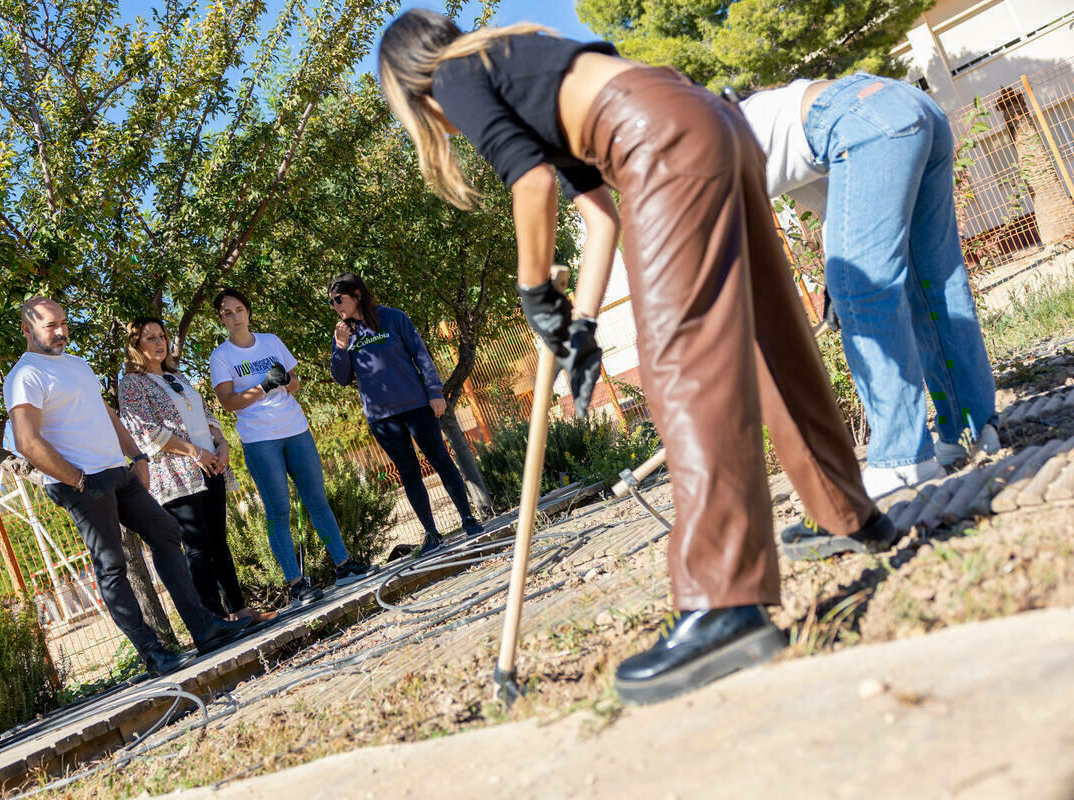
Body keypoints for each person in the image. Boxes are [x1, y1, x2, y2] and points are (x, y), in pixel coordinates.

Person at [377, 10, 892, 705]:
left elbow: (527, 185)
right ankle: (844, 512)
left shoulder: (454, 72)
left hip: (659, 140)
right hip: (709, 122)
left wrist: (533, 286)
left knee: (683, 360)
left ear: (409, 88)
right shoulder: (521, 63)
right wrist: (579, 327)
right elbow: (600, 218)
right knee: (769, 335)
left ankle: (724, 603)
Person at [740, 75, 999, 501]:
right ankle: (971, 430)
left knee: (864, 293)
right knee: (933, 281)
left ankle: (901, 459)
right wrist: (831, 281)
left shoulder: (710, 155)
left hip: (861, 122)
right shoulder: (775, 128)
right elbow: (836, 207)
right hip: (910, 108)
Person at [4, 297, 252, 678]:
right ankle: (154, 654)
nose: (60, 331)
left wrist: (137, 457)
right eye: (50, 326)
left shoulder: (76, 365)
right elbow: (26, 442)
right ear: (27, 329)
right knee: (112, 565)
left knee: (166, 532)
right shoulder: (26, 375)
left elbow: (105, 413)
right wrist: (78, 480)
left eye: (64, 323)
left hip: (117, 470)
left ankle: (205, 629)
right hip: (82, 482)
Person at [209, 288, 376, 608]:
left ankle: (343, 566)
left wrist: (284, 381)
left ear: (248, 311)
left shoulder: (271, 342)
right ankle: (296, 584)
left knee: (317, 500)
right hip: (259, 440)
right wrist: (264, 385)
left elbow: (295, 382)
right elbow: (228, 403)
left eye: (239, 309)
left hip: (295, 429)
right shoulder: (222, 356)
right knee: (278, 511)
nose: (235, 316)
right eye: (227, 313)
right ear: (221, 319)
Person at [327, 272, 485, 554]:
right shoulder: (344, 334)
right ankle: (432, 534)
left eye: (339, 299)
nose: (336, 306)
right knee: (409, 473)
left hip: (416, 406)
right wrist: (340, 348)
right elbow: (341, 377)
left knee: (440, 459)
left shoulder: (393, 317)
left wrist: (435, 393)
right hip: (381, 418)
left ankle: (468, 518)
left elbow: (420, 354)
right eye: (332, 303)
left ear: (357, 295)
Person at [119, 316, 258, 622]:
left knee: (219, 542)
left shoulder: (177, 376)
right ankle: (215, 621)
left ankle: (240, 611)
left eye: (161, 337)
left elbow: (206, 414)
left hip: (211, 467)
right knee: (197, 547)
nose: (159, 343)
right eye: (150, 338)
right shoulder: (132, 384)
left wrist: (221, 443)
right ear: (136, 346)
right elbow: (146, 432)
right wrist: (194, 451)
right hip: (178, 475)